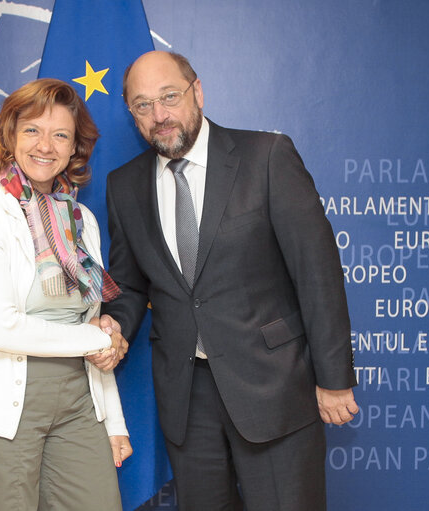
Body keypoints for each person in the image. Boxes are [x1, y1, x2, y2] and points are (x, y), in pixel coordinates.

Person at [101, 51, 359, 510]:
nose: (159, 116)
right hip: (186, 399)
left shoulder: (266, 157)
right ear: (131, 114)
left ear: (197, 92)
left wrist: (334, 378)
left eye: (169, 97)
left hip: (275, 387)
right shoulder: (123, 186)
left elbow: (316, 270)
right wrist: (115, 326)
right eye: (143, 105)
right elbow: (129, 285)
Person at [0, 78, 131, 511]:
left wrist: (114, 421)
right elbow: (2, 328)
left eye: (60, 134)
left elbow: (91, 323)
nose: (45, 145)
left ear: (74, 148)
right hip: (0, 410)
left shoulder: (81, 220)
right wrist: (98, 339)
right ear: (10, 136)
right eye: (32, 130)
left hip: (79, 405)